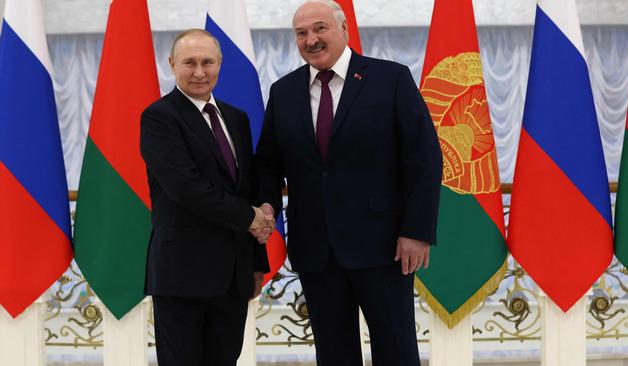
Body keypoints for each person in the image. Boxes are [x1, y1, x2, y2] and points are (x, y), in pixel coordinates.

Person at [253, 1, 443, 365]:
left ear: (344, 30)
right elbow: (267, 163)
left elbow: (423, 160)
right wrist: (266, 205)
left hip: (385, 246)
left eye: (320, 28)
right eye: (301, 33)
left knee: (397, 349)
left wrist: (416, 231)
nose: (311, 39)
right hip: (316, 249)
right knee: (333, 353)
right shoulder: (284, 91)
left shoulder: (390, 79)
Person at [140, 29, 273, 366]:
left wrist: (257, 263)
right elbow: (186, 187)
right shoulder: (159, 118)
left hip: (233, 277)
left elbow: (247, 187)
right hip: (183, 276)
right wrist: (250, 218)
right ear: (171, 64)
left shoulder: (236, 118)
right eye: (189, 63)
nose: (199, 71)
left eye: (207, 62)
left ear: (219, 65)